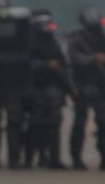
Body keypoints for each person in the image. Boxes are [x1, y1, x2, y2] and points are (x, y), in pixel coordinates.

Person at [0, 1, 33, 169]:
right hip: (6, 87)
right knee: (6, 121)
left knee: (5, 122)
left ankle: (2, 159)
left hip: (5, 87)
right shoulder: (20, 41)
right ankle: (8, 159)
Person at [25, 10, 76, 169]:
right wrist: (45, 65)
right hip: (35, 89)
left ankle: (53, 159)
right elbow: (25, 65)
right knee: (35, 125)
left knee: (53, 126)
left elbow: (63, 67)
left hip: (54, 89)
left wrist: (69, 88)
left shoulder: (54, 43)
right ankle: (29, 160)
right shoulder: (28, 43)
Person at [68, 7, 105, 170]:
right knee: (79, 123)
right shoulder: (76, 38)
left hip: (103, 86)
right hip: (82, 85)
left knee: (103, 122)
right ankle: (76, 158)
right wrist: (94, 59)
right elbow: (74, 59)